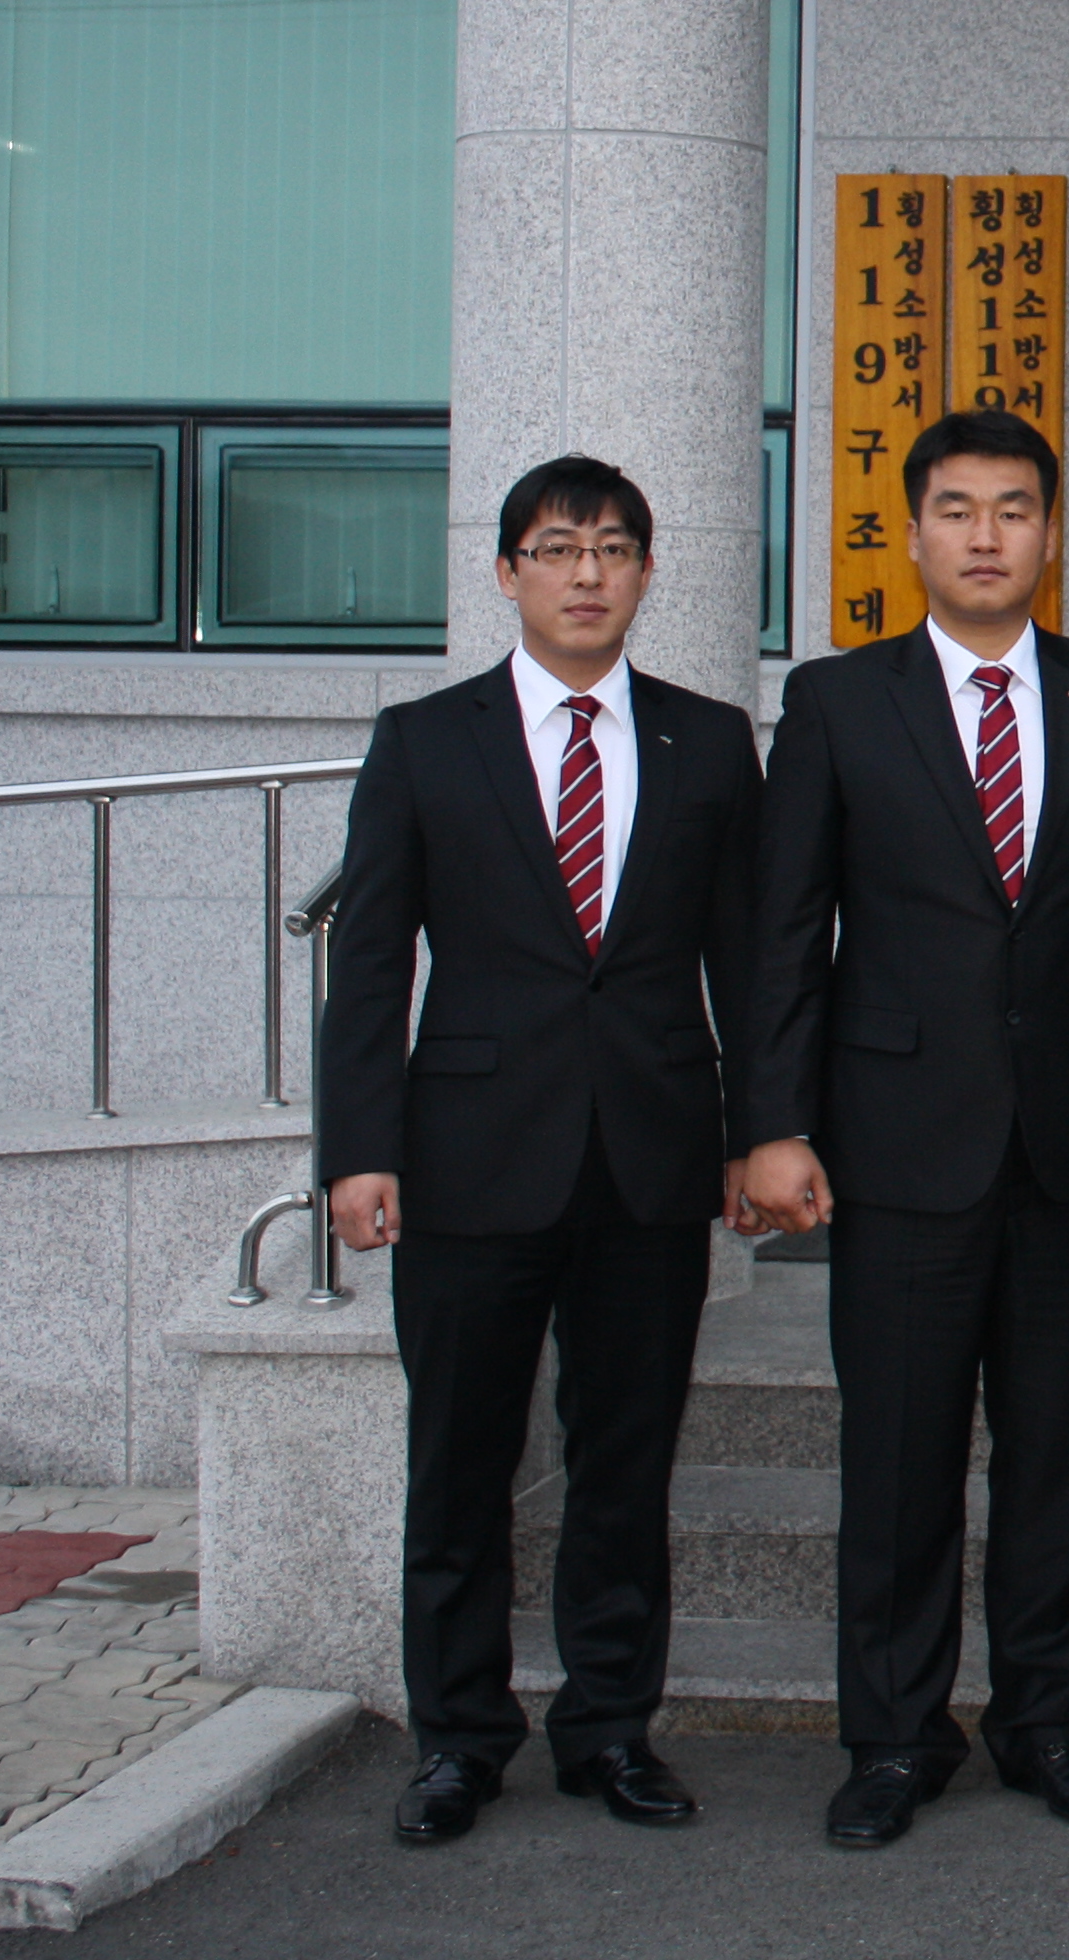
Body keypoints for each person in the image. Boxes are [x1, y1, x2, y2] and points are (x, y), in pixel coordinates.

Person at [739, 408, 1069, 1851]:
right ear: (913, 532)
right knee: (900, 1459)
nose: (987, 536)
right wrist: (774, 1123)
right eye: (958, 510)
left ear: (1051, 533)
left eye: (1013, 509)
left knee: (1062, 1461)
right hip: (896, 1144)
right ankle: (893, 1736)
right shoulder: (838, 702)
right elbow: (786, 931)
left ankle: (1048, 1725)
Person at [322, 456, 759, 1849]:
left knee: (625, 1465)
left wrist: (761, 1133)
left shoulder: (708, 742)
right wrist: (359, 1149)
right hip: (468, 1159)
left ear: (646, 573)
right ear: (508, 570)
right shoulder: (424, 741)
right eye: (559, 548)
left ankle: (610, 1729)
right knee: (460, 1467)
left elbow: (749, 963)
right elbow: (370, 960)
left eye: (614, 548)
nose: (587, 573)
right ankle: (457, 1740)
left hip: (650, 1158)